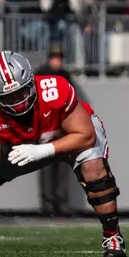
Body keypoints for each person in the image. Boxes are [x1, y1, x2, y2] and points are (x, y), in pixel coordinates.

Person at [0, 51, 125, 257]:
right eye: (9, 97)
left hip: (69, 136)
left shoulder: (55, 90)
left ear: (31, 81)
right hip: (23, 146)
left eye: (22, 92)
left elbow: (85, 135)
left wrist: (43, 150)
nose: (18, 102)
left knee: (93, 168)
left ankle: (112, 235)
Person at [34, 45, 83, 217]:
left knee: (62, 165)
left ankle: (61, 202)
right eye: (55, 57)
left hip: (61, 126)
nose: (58, 60)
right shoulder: (40, 73)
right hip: (46, 126)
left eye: (60, 57)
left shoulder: (64, 75)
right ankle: (47, 204)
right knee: (46, 166)